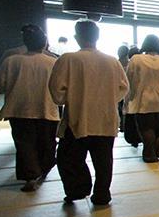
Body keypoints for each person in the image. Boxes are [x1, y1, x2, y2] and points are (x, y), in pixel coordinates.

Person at [48, 20, 128, 206]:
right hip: (105, 117)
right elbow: (123, 88)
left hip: (78, 117)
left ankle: (78, 189)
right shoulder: (111, 61)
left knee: (69, 157)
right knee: (104, 159)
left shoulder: (68, 59)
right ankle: (102, 194)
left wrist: (71, 98)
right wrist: (108, 99)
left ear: (77, 37)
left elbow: (56, 91)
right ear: (97, 37)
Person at [0, 24, 59, 191]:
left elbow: (0, 84)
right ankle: (44, 168)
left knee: (25, 144)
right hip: (46, 108)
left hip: (19, 109)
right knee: (47, 142)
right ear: (44, 43)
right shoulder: (52, 62)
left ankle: (30, 176)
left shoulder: (11, 61)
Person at [126, 34, 159, 163]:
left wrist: (129, 98)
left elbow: (129, 79)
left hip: (143, 100)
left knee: (146, 127)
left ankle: (149, 154)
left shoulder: (136, 60)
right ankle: (158, 145)